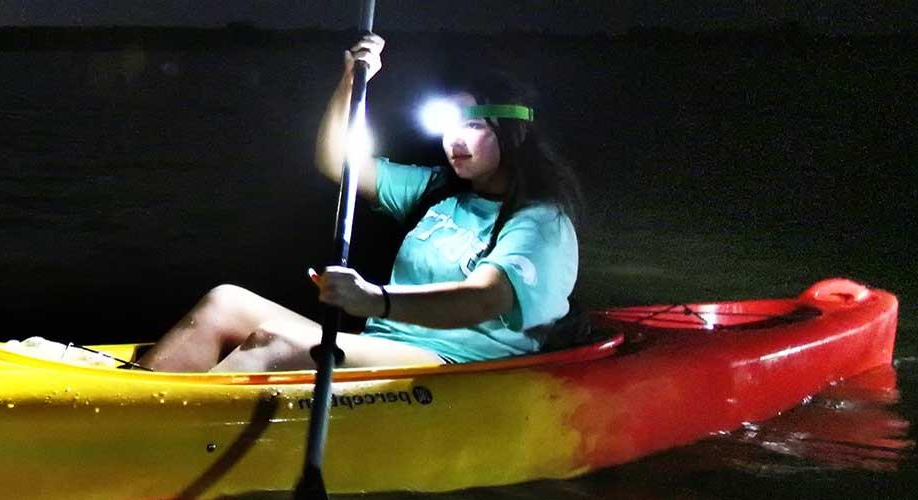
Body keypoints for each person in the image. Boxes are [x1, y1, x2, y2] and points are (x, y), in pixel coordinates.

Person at [137, 34, 584, 373]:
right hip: (385, 343)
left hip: (453, 364)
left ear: (514, 131)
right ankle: (142, 395)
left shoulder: (541, 219)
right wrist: (352, 83)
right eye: (449, 125)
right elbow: (339, 161)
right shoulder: (437, 189)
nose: (456, 140)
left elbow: (485, 298)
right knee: (226, 302)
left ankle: (170, 434)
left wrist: (374, 299)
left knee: (277, 340)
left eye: (474, 126)